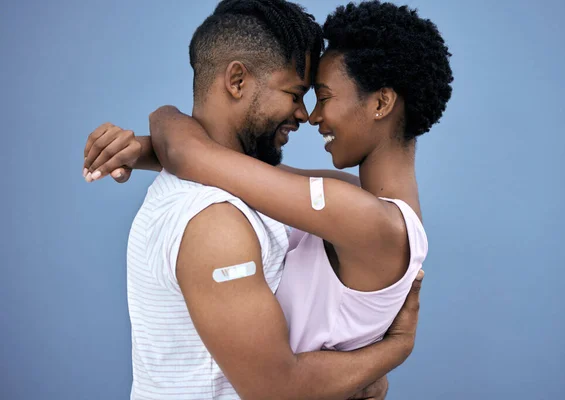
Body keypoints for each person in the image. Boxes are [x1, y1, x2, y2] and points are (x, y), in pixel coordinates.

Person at [83, 1, 430, 399]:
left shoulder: (336, 206)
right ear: (236, 80)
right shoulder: (215, 222)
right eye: (297, 93)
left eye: (320, 96)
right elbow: (277, 389)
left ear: (383, 103)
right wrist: (392, 351)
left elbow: (190, 154)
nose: (306, 114)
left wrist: (162, 122)